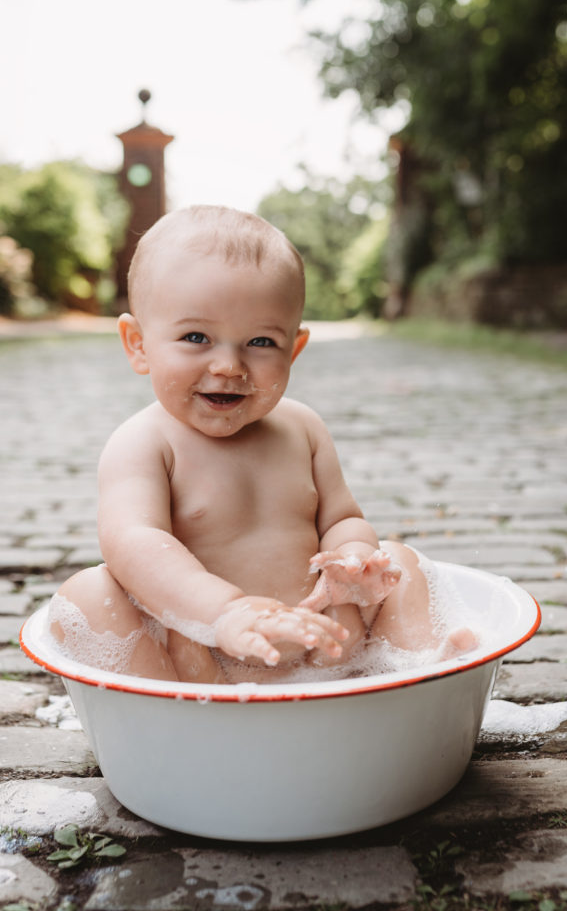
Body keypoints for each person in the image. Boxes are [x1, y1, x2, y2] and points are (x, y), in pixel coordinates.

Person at [48, 205, 475, 684]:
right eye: (196, 337)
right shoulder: (144, 442)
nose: (229, 365)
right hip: (200, 659)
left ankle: (416, 669)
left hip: (327, 645)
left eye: (261, 342)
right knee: (87, 593)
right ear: (138, 344)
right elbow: (133, 543)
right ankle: (161, 714)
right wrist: (225, 613)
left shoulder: (303, 428)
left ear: (294, 348)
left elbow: (342, 518)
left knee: (400, 560)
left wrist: (353, 559)